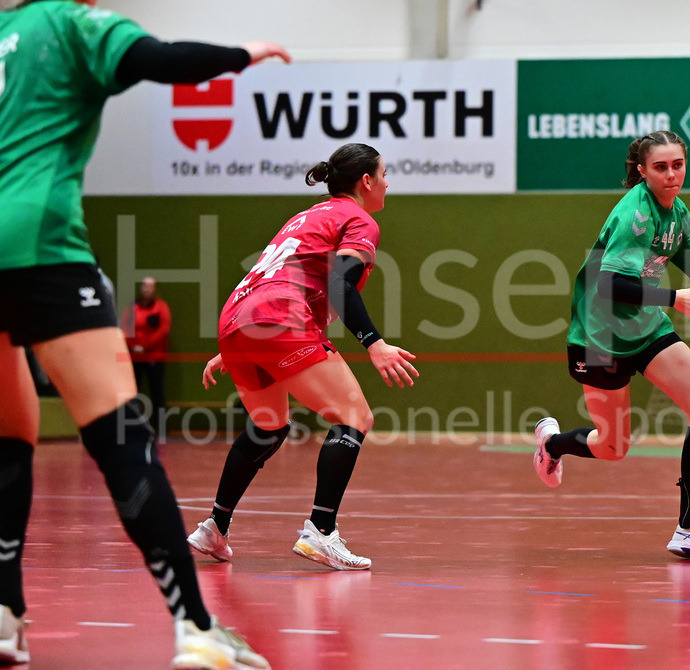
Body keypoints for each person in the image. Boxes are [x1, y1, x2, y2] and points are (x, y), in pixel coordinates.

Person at [0, 1, 290, 667]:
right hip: (38, 241)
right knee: (124, 443)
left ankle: (4, 612)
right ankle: (196, 626)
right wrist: (240, 54)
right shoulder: (73, 23)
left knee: (8, 438)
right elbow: (160, 61)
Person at [187, 143, 418, 572]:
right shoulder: (358, 219)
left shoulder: (306, 216)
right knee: (354, 418)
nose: (388, 182)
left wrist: (239, 344)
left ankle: (214, 527)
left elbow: (281, 277)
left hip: (239, 316)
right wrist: (374, 343)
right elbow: (338, 285)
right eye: (384, 174)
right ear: (366, 181)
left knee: (268, 425)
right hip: (277, 318)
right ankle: (321, 531)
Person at [533, 130, 690, 561]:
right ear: (642, 171)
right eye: (661, 167)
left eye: (678, 165)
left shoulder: (678, 213)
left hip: (647, 328)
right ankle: (552, 445)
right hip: (598, 339)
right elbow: (610, 284)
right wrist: (675, 299)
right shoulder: (636, 214)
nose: (671, 175)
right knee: (613, 448)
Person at [122, 277, 172, 421]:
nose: (147, 289)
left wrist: (145, 346)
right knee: (133, 391)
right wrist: (133, 346)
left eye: (150, 286)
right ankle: (134, 424)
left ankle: (160, 425)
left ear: (155, 289)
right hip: (135, 356)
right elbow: (125, 327)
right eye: (144, 286)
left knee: (157, 390)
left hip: (154, 357)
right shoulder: (132, 307)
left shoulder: (161, 307)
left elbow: (163, 329)